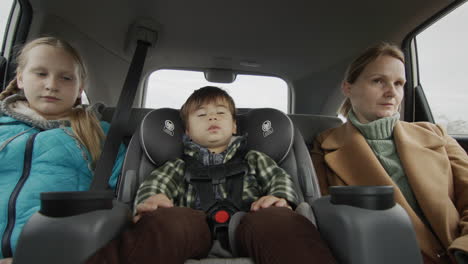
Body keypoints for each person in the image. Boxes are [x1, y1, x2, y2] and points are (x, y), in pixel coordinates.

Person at [87, 86, 336, 264]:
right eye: (202, 115)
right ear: (186, 131)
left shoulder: (255, 158)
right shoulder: (177, 165)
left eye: (221, 113)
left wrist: (280, 198)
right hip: (192, 226)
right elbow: (156, 184)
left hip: (250, 221)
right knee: (164, 224)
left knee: (282, 223)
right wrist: (153, 200)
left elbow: (278, 179)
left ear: (235, 125)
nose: (212, 117)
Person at [311, 42, 468, 264]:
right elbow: (328, 225)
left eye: (398, 83)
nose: (391, 92)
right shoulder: (324, 147)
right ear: (348, 88)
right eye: (378, 81)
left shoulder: (435, 134)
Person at [0, 37, 125, 263]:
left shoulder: (99, 134)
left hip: (58, 253)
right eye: (40, 74)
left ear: (80, 88)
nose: (52, 85)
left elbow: (125, 192)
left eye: (66, 78)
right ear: (19, 78)